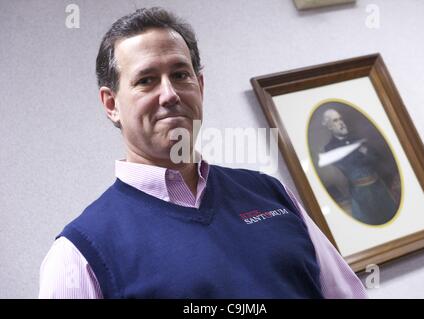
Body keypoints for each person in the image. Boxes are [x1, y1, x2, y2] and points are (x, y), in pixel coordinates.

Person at [39, 8, 367, 299]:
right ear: (111, 105)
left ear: (200, 86)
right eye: (147, 80)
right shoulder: (80, 255)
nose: (168, 94)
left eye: (180, 75)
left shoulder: (271, 193)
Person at [321, 109, 398, 225]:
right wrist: (363, 152)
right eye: (335, 121)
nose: (341, 123)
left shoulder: (356, 138)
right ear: (329, 126)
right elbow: (348, 165)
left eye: (341, 119)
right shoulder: (330, 148)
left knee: (392, 218)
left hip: (379, 188)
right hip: (359, 193)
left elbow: (376, 158)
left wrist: (363, 156)